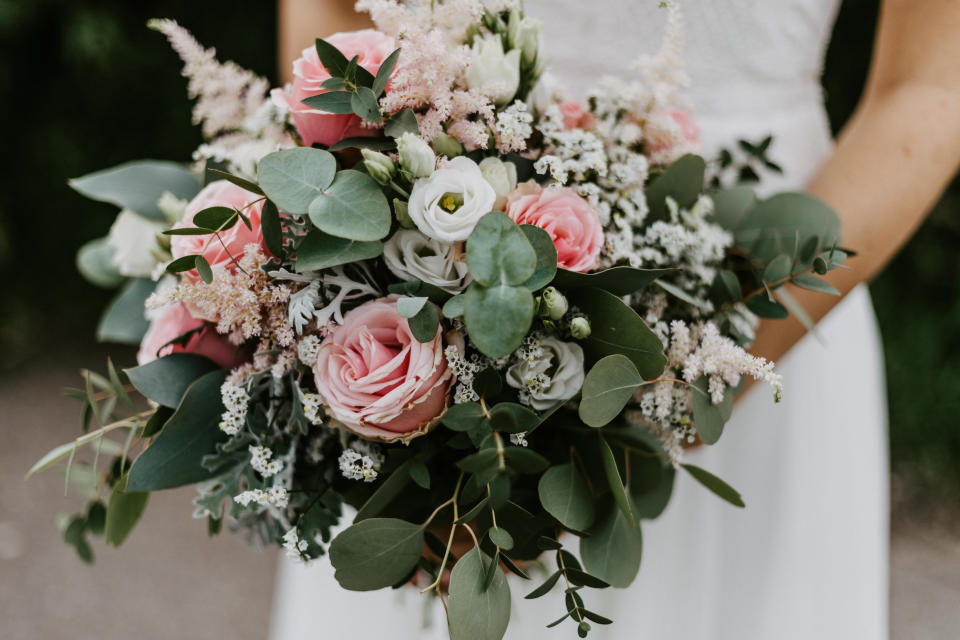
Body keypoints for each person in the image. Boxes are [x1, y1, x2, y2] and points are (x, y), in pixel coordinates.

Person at [270, 1, 960, 638]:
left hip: (766, 295)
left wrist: (703, 359)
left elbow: (929, 88)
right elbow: (331, 15)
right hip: (419, 300)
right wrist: (363, 263)